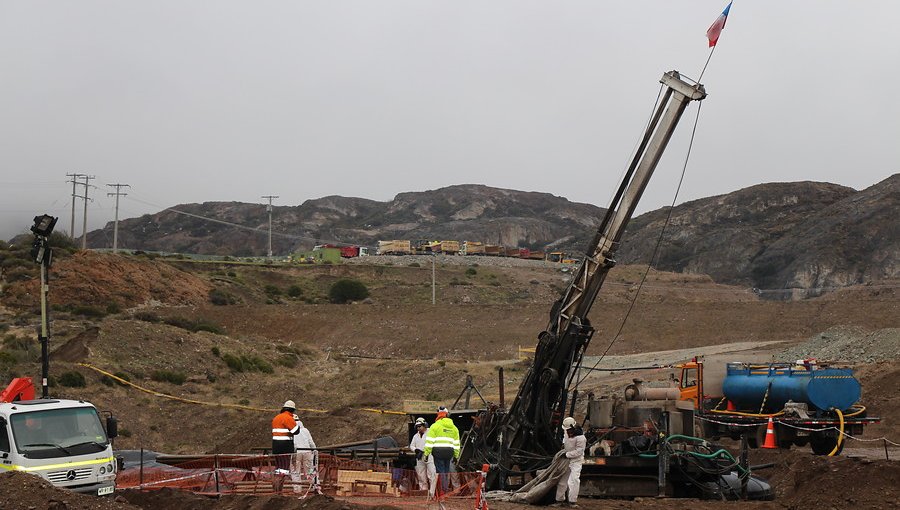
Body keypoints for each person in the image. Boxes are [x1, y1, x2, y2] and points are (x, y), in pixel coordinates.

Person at [423, 406, 459, 496]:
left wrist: (426, 454)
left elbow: (429, 442)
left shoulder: (434, 426)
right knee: (446, 471)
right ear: (447, 415)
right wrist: (456, 456)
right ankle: (444, 489)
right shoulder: (454, 428)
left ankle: (442, 490)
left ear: (438, 415)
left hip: (438, 452)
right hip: (449, 452)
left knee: (440, 471)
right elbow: (457, 443)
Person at [555, 416, 585, 507]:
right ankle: (559, 500)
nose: (567, 432)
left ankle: (572, 502)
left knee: (574, 480)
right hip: (566, 460)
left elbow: (579, 452)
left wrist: (567, 454)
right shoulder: (566, 431)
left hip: (576, 461)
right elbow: (565, 439)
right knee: (562, 481)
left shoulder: (581, 438)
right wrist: (563, 447)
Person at [408, 417, 436, 494]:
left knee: (431, 474)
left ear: (424, 425)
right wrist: (416, 450)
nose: (418, 428)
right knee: (421, 475)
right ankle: (423, 491)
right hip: (420, 457)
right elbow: (411, 446)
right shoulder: (415, 436)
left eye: (420, 426)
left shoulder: (430, 432)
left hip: (429, 456)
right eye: (417, 426)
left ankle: (432, 493)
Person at [272, 400, 300, 472]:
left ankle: (277, 481)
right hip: (285, 446)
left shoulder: (276, 418)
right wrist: (296, 421)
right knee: (284, 467)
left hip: (275, 445)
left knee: (278, 467)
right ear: (292, 410)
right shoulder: (288, 418)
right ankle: (280, 481)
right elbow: (296, 431)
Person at [292, 414, 317, 479]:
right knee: (310, 472)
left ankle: (297, 488)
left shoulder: (290, 430)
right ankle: (315, 487)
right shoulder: (305, 430)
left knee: (296, 473)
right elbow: (311, 442)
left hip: (296, 453)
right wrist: (315, 451)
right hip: (307, 451)